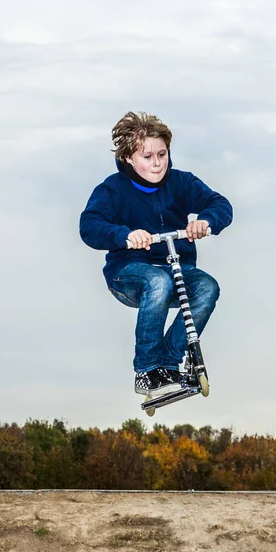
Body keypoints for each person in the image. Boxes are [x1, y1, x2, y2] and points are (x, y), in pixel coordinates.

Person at [80, 111, 233, 396]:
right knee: (157, 281)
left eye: (161, 154)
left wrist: (206, 221)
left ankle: (169, 362)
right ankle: (147, 368)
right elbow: (89, 226)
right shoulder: (111, 190)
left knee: (207, 287)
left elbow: (219, 203)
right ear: (128, 157)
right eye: (147, 157)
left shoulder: (181, 183)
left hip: (175, 268)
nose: (157, 163)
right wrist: (124, 235)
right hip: (128, 273)